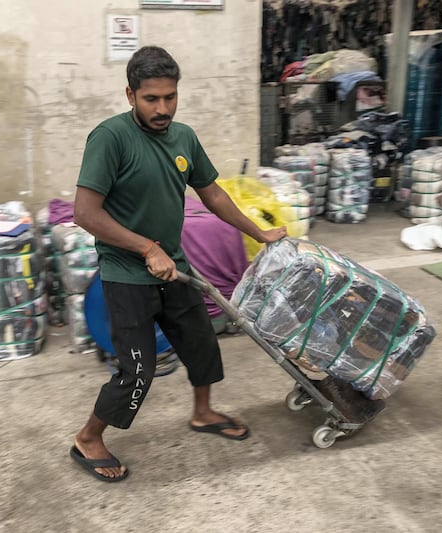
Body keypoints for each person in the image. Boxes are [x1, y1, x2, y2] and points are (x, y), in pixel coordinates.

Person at [70, 46, 286, 482]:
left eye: (170, 97)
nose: (163, 108)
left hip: (176, 267)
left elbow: (213, 193)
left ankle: (203, 413)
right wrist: (147, 248)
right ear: (130, 95)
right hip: (126, 274)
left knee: (202, 344)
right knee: (138, 370)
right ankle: (89, 438)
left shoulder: (183, 137)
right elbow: (85, 214)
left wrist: (258, 233)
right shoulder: (110, 138)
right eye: (152, 99)